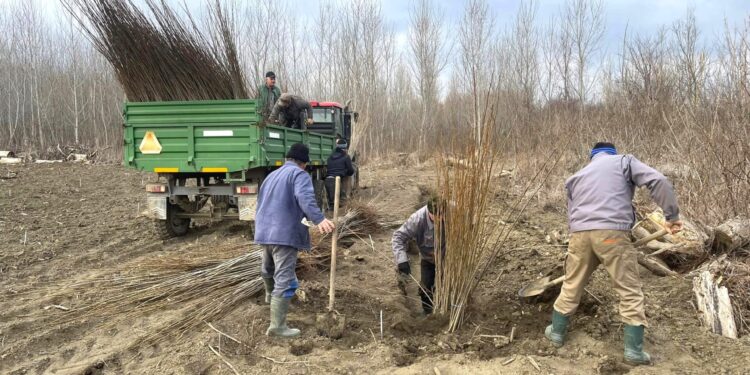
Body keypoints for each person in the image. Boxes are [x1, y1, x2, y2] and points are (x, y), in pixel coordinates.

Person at [545, 142, 683, 365]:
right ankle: (634, 352)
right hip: (611, 234)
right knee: (629, 290)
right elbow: (658, 181)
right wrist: (671, 215)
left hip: (579, 235)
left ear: (592, 157)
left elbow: (572, 214)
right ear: (612, 153)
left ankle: (557, 334)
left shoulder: (576, 177)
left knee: (572, 284)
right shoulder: (624, 161)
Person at [254, 143, 335, 338]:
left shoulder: (272, 175)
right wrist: (320, 219)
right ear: (304, 164)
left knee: (268, 268)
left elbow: (260, 202)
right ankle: (277, 327)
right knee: (283, 277)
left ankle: (269, 297)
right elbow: (305, 198)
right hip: (284, 234)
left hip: (264, 231)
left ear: (287, 159)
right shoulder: (300, 175)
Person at [392, 195, 445, 315]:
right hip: (428, 257)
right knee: (425, 288)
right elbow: (397, 237)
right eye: (437, 216)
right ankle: (428, 313)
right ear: (429, 211)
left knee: (448, 286)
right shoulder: (417, 219)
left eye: (443, 215)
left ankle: (446, 311)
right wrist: (402, 260)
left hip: (449, 257)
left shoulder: (455, 211)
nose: (441, 218)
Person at [324, 139, 355, 210]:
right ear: (345, 147)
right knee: (348, 176)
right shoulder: (346, 157)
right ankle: (346, 198)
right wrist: (345, 172)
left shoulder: (330, 156)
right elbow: (351, 171)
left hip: (328, 179)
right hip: (339, 180)